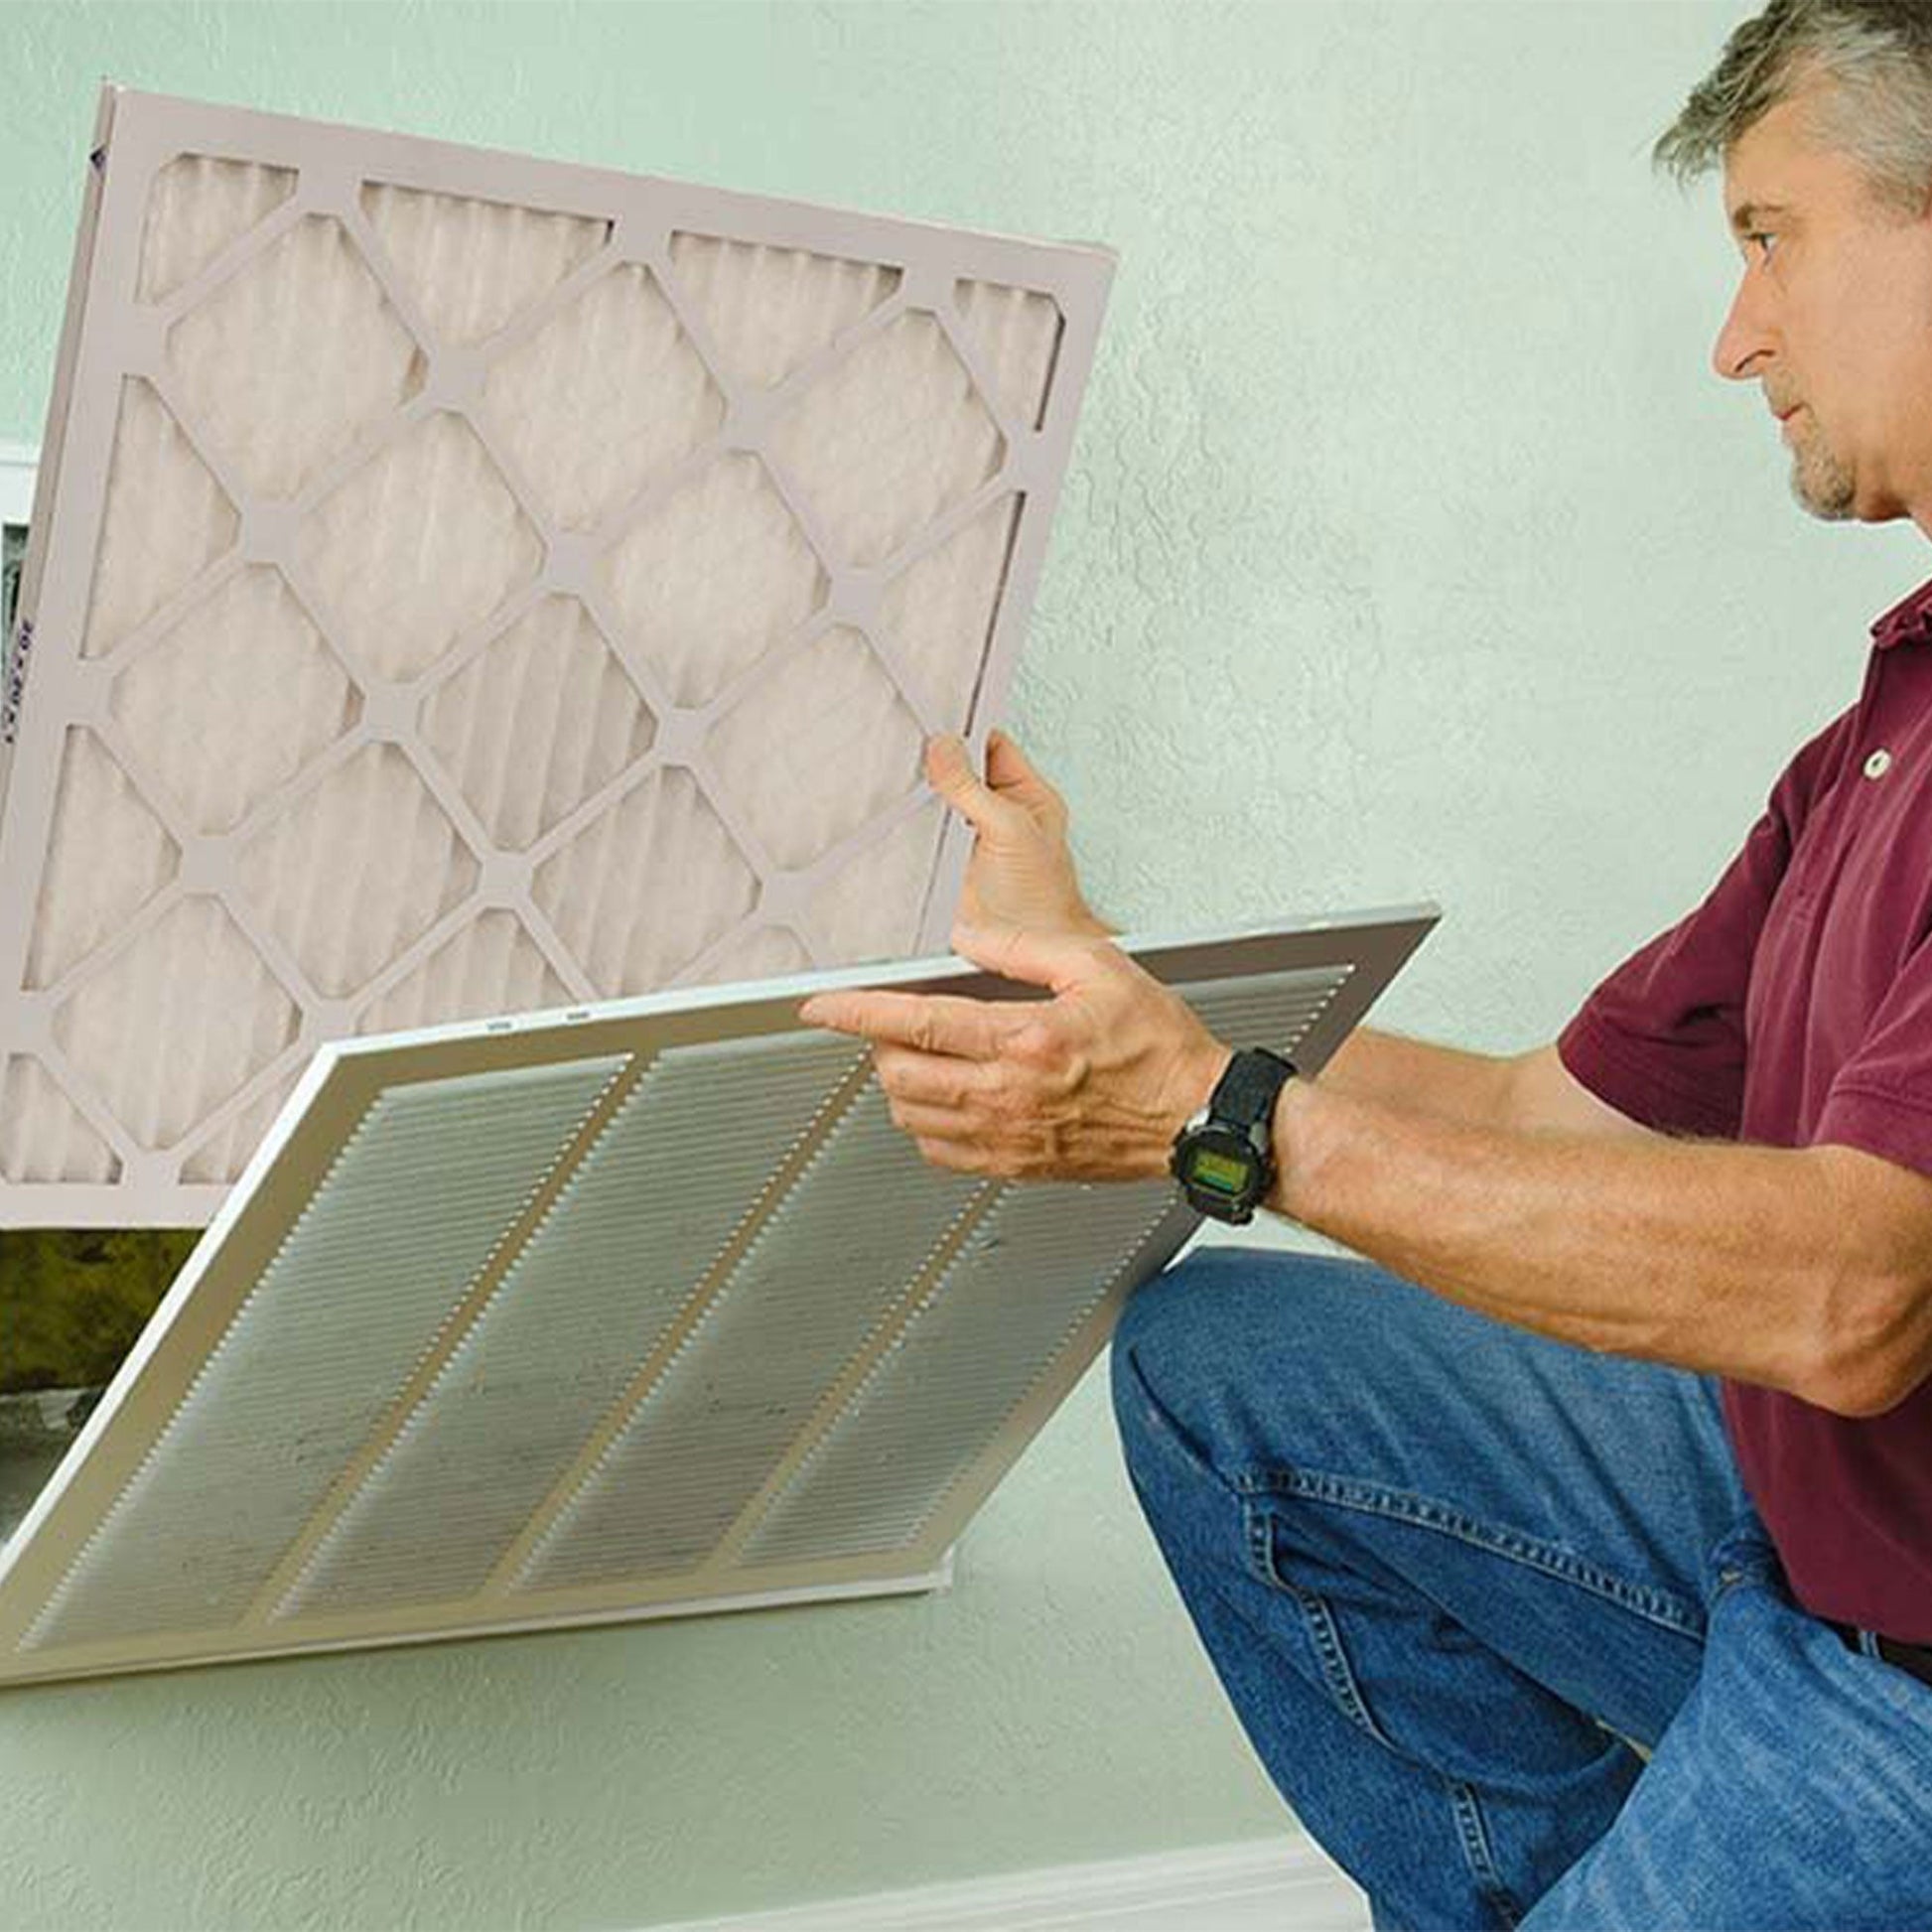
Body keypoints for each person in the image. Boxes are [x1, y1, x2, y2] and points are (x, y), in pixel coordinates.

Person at [799, 3, 1932, 1924]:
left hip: (1901, 1678)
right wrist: (1099, 978)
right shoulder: (1884, 732)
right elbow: (1545, 1114)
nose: (1734, 336)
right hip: (1811, 1523)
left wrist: (1226, 1117)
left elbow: (1853, 1293)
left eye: (1769, 237)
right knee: (1226, 1368)